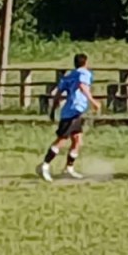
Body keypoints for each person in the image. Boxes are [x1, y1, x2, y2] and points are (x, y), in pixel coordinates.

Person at [36, 53, 100, 182]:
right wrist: (93, 101)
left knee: (77, 139)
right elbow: (82, 86)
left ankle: (68, 169)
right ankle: (45, 165)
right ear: (85, 62)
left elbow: (58, 93)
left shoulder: (69, 76)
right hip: (74, 110)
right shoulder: (84, 73)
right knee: (62, 140)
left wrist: (53, 109)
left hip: (69, 111)